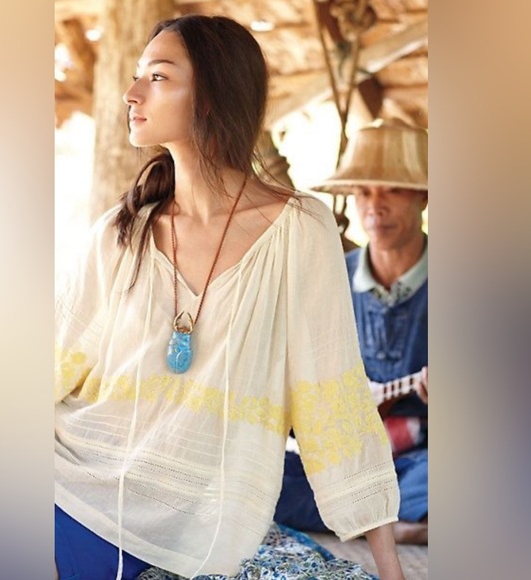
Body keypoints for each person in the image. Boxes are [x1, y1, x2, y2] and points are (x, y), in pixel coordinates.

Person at [55, 15, 405, 580]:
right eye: (139, 75)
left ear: (211, 94)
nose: (132, 92)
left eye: (158, 76)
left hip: (196, 525)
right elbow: (54, 360)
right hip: (73, 484)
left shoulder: (299, 230)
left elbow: (332, 398)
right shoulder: (122, 232)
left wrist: (390, 568)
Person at [274, 119, 428, 545]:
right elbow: (299, 395)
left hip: (423, 461)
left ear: (424, 196)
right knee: (258, 474)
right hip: (345, 465)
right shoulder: (329, 278)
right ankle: (395, 525)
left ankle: (367, 519)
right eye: (363, 192)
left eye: (393, 190)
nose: (375, 206)